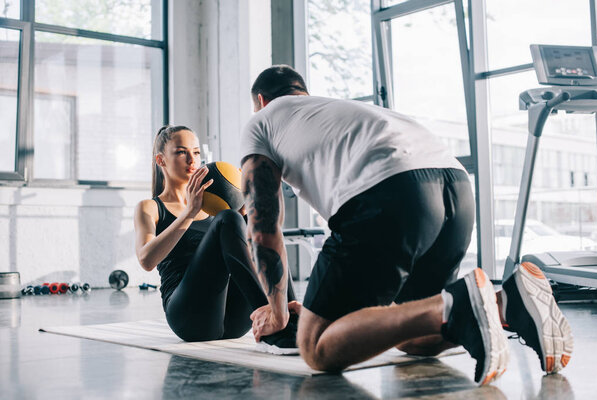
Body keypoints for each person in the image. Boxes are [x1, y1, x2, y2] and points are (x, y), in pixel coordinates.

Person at [240, 65, 573, 384]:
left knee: (316, 346)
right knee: (417, 337)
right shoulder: (339, 110)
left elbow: (262, 224)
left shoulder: (262, 121)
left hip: (388, 192)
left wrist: (278, 312)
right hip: (455, 188)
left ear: (260, 101)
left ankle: (460, 303)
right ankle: (505, 303)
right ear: (304, 93)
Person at [133, 125, 300, 350]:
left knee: (262, 228)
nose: (192, 160)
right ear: (161, 160)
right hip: (191, 318)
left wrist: (246, 215)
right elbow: (146, 260)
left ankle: (289, 315)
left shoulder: (216, 205)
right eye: (181, 152)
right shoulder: (150, 207)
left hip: (234, 321)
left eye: (196, 152)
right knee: (228, 219)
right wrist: (189, 212)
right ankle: (277, 324)